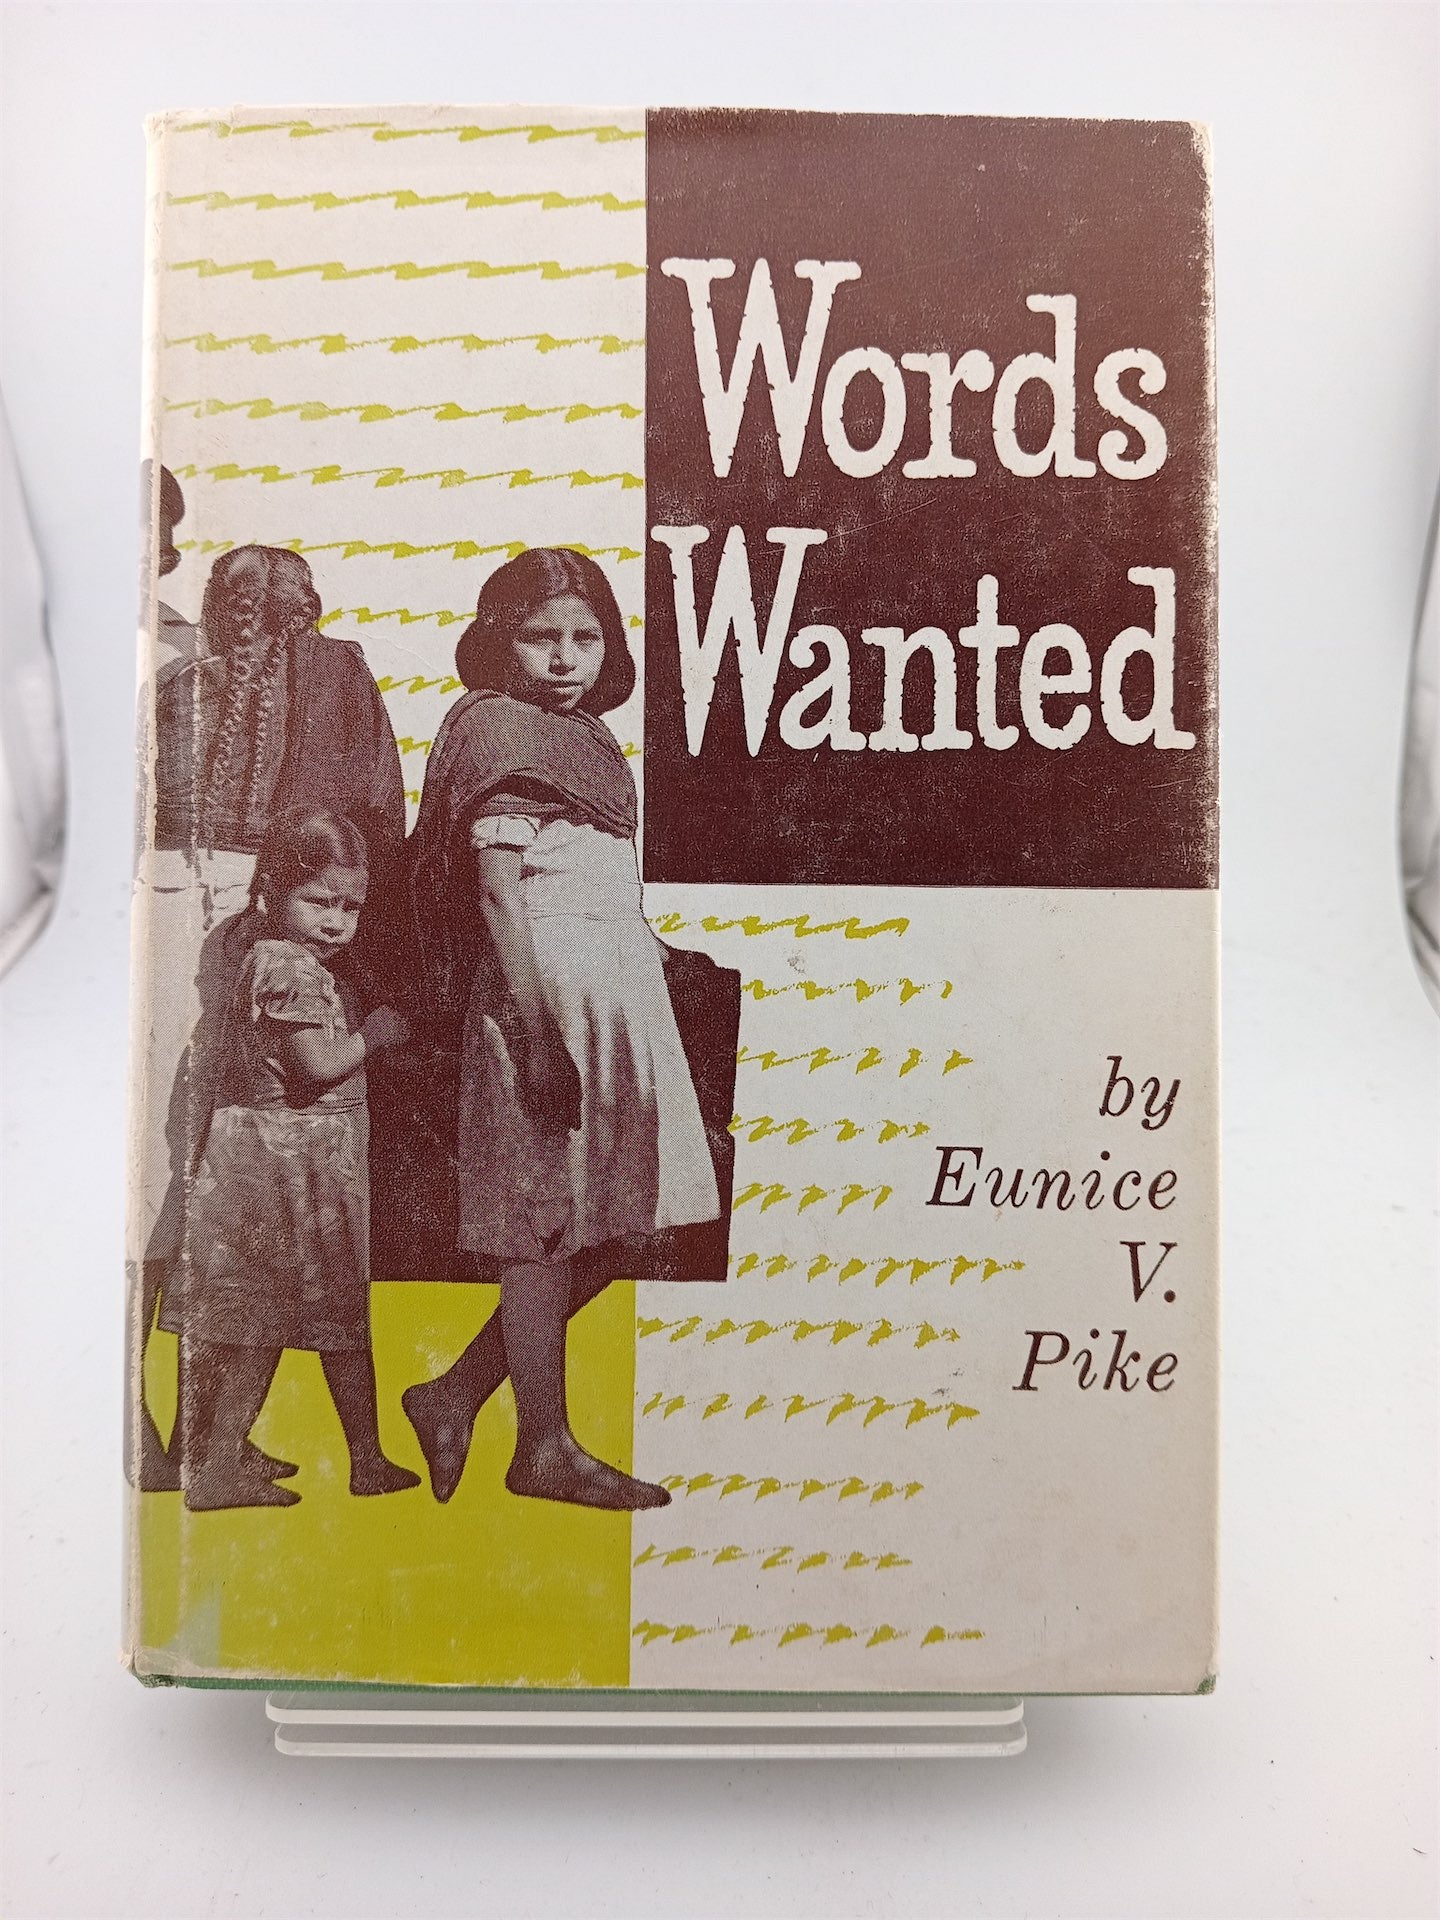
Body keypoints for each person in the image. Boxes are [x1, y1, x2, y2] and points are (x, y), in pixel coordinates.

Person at [401, 549, 722, 1512]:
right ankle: (542, 1446)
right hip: (539, 1006)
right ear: (500, 640)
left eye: (586, 637)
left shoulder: (585, 738)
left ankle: (455, 1392)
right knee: (544, 1226)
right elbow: (500, 897)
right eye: (540, 636)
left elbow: (591, 881)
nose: (564, 657)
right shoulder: (498, 730)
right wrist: (540, 1041)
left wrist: (657, 958)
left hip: (615, 1000)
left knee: (625, 1219)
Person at [132, 544, 406, 1492]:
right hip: (242, 907)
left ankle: (188, 1439)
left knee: (176, 1185)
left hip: (197, 906)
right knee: (187, 1192)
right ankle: (191, 1443)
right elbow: (376, 813)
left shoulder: (185, 682)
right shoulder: (327, 675)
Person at [168, 808, 419, 1511]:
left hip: (304, 1166)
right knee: (268, 1321)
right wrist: (376, 1035)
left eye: (350, 907)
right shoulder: (283, 964)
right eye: (319, 902)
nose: (336, 921)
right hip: (285, 1167)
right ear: (273, 892)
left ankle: (359, 1456)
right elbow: (317, 1065)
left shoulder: (293, 960)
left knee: (321, 1314)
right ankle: (218, 1465)